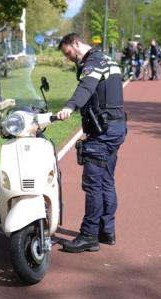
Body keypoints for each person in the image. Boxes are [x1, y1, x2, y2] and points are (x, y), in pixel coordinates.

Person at [56, 33, 127, 253]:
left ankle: (89, 236)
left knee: (93, 184)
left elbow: (86, 87)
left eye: (68, 53)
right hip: (116, 128)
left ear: (76, 43)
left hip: (103, 133)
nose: (69, 58)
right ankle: (107, 231)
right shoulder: (108, 59)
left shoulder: (93, 62)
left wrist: (70, 106)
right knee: (106, 181)